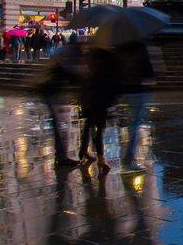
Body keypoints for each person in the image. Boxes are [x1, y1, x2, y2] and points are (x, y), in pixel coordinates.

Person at [33, 35, 81, 167]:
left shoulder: (63, 52)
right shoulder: (67, 54)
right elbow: (69, 72)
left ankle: (61, 155)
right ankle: (61, 157)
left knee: (58, 125)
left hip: (51, 90)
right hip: (51, 91)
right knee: (58, 126)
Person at [116, 40, 156, 169]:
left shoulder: (120, 47)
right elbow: (148, 71)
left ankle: (125, 153)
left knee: (126, 123)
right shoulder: (140, 48)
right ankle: (128, 156)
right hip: (136, 90)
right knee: (134, 124)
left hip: (122, 89)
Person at [78, 47, 119, 173]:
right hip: (99, 103)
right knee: (98, 130)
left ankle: (83, 152)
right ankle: (100, 158)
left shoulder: (91, 68)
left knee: (89, 127)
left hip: (91, 102)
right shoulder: (104, 68)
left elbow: (84, 87)